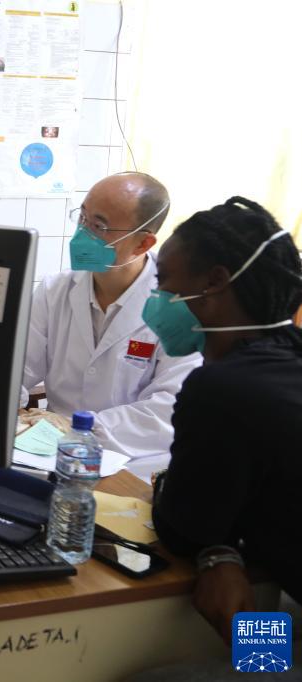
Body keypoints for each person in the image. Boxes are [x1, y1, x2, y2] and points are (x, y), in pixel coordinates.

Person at [148, 197, 302, 648]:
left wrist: (217, 551)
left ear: (214, 283)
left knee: (160, 678)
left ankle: (262, 661)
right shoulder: (289, 356)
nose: (158, 297)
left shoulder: (222, 389)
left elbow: (183, 531)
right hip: (287, 592)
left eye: (163, 281)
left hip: (288, 604)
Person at [21, 172, 201, 480]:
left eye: (99, 226)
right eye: (82, 218)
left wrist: (83, 427)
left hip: (133, 466)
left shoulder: (180, 309)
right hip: (53, 451)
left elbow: (169, 410)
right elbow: (17, 368)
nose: (83, 233)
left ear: (143, 243)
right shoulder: (55, 291)